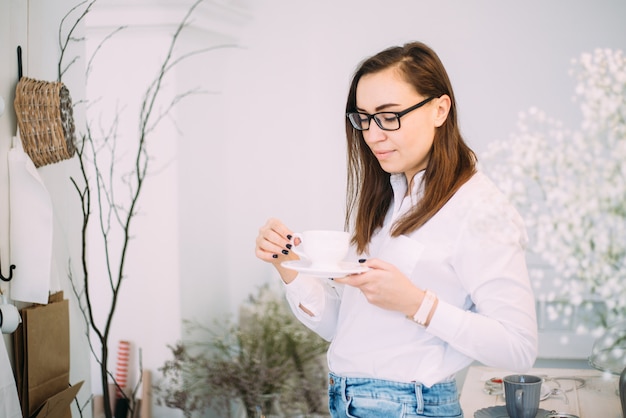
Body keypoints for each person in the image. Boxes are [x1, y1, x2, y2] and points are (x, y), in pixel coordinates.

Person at [255, 41, 537, 418]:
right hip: (347, 400)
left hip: (410, 407)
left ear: (440, 108)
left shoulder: (479, 208)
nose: (372, 135)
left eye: (390, 116)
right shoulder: (387, 198)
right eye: (364, 118)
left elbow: (518, 347)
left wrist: (417, 304)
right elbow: (344, 330)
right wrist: (287, 263)